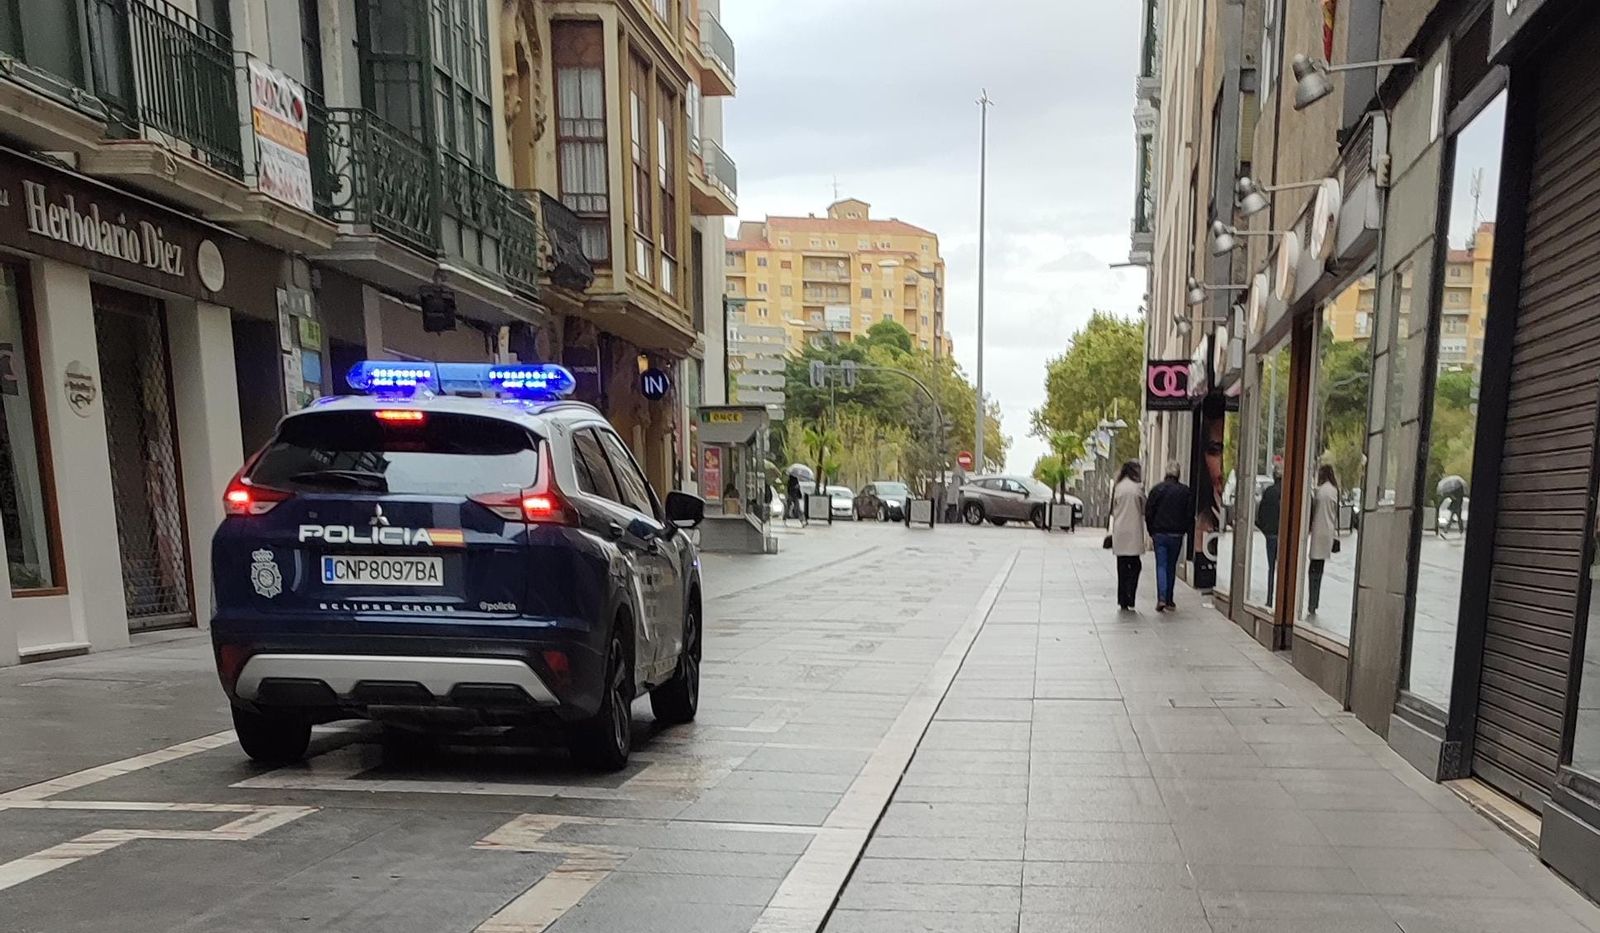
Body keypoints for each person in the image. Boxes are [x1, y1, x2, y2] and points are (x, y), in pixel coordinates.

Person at [1145, 461, 1193, 612]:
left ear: (1166, 473)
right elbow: (1190, 514)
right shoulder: (1185, 492)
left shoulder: (1156, 490)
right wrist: (1185, 529)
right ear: (1178, 474)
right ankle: (1170, 599)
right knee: (1171, 566)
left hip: (1159, 534)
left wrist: (1151, 530)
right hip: (1176, 534)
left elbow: (1149, 512)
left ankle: (1162, 598)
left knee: (1161, 565)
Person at [1110, 461, 1147, 611]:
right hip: (1133, 531)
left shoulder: (1118, 487)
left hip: (1120, 531)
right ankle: (1131, 595)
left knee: (1122, 567)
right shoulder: (1137, 488)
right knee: (1135, 565)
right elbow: (1144, 508)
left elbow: (1113, 509)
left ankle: (1122, 599)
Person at [1307, 464, 1340, 615]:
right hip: (1328, 533)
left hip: (1318, 532)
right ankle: (1315, 602)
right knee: (1319, 568)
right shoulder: (1334, 491)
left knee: (1312, 569)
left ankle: (1312, 602)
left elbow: (1312, 511)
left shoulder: (1320, 492)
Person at [1256, 471, 1282, 604]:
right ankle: (1282, 599)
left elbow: (1260, 512)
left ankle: (1270, 598)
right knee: (1284, 568)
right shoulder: (1288, 493)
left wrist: (1264, 529)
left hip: (1271, 534)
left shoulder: (1269, 492)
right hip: (1283, 535)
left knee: (1271, 567)